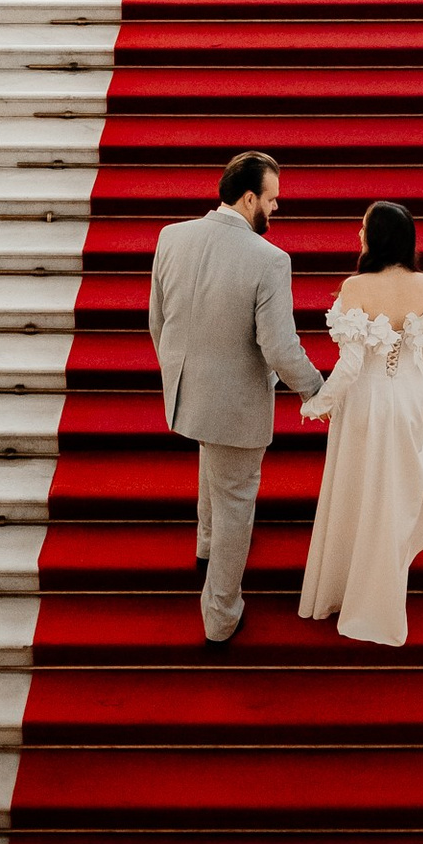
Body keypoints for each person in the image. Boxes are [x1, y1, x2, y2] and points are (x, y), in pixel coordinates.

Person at [148, 148, 324, 646]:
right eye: (273, 200)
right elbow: (279, 346)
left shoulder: (171, 236)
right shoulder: (270, 259)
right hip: (235, 404)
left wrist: (179, 373)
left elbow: (157, 320)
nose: (277, 209)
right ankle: (221, 615)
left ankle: (204, 547)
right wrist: (318, 389)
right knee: (235, 503)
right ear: (249, 199)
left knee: (213, 467)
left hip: (186, 394)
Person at [297, 198, 423, 650]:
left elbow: (350, 365)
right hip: (410, 403)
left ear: (376, 237)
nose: (358, 235)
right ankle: (384, 585)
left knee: (361, 493)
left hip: (368, 405)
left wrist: (317, 402)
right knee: (396, 497)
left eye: (363, 228)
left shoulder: (355, 286)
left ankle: (354, 588)